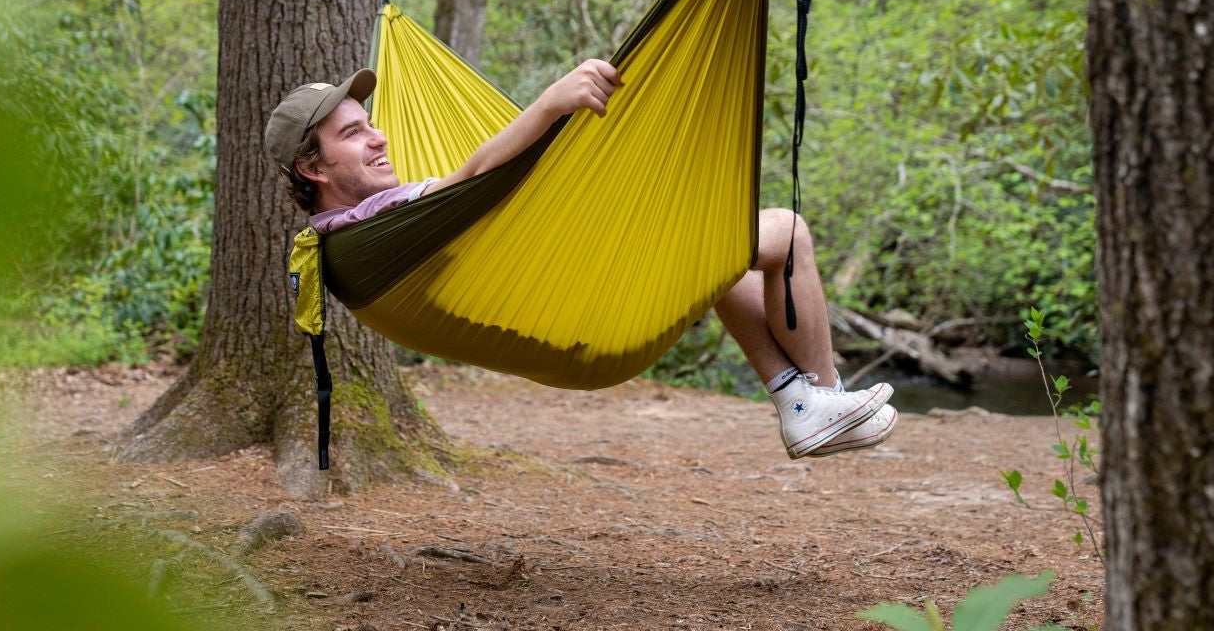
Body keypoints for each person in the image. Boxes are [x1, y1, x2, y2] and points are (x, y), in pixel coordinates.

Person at [265, 62, 897, 459]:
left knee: (710, 247)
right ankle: (820, 392)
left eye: (370, 124)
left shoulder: (338, 236)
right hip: (584, 315)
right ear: (312, 167)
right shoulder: (374, 221)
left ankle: (795, 401)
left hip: (570, 300)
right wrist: (551, 102)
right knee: (786, 231)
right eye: (353, 134)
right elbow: (472, 176)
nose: (378, 137)